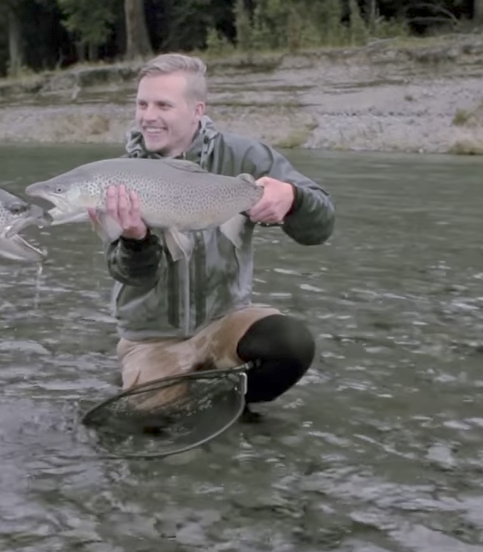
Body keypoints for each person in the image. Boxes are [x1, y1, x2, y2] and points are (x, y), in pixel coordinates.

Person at [94, 53, 335, 418]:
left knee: (291, 344)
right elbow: (130, 275)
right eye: (142, 104)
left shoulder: (246, 157)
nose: (147, 116)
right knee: (151, 421)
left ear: (197, 109)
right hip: (151, 336)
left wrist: (293, 198)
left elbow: (321, 227)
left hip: (226, 321)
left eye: (163, 104)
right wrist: (135, 238)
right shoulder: (118, 178)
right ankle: (172, 390)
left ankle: (234, 406)